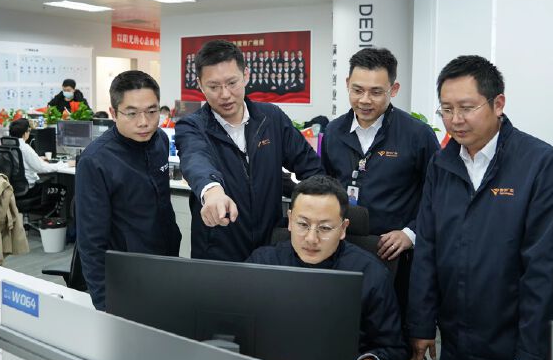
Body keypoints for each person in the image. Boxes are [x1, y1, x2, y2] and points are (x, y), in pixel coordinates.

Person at [405, 56, 553, 360]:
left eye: (467, 108)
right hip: (454, 343)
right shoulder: (441, 164)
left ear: (498, 104)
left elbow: (546, 270)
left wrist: (530, 357)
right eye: (446, 109)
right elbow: (427, 247)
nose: (455, 119)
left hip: (510, 347)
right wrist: (421, 323)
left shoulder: (541, 165)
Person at [175, 40, 323, 262]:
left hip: (271, 249)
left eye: (232, 83)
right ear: (200, 85)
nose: (225, 94)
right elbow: (195, 159)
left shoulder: (271, 118)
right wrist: (213, 192)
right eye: (213, 87)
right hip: (218, 253)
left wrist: (308, 211)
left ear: (246, 75)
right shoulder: (192, 126)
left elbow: (311, 167)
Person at [321, 47, 439, 325]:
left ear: (393, 89)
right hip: (344, 249)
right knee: (345, 325)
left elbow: (439, 195)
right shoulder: (334, 132)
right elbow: (326, 185)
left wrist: (411, 233)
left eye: (376, 92)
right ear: (347, 84)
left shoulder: (417, 135)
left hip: (395, 253)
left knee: (391, 327)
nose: (364, 100)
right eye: (357, 90)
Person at [247, 175, 406, 360]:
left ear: (343, 228)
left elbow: (393, 349)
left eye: (325, 228)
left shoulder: (371, 274)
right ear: (290, 220)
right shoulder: (262, 263)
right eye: (302, 224)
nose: (311, 238)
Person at [76, 71, 181, 310]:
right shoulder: (96, 161)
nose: (144, 122)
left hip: (167, 262)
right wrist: (105, 304)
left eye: (152, 111)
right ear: (113, 113)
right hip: (127, 274)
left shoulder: (160, 140)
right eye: (132, 113)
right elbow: (91, 243)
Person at [8, 118, 73, 192]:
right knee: (63, 190)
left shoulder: (8, 144)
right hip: (29, 189)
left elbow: (20, 160)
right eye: (29, 131)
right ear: (25, 133)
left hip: (13, 188)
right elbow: (42, 168)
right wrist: (66, 164)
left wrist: (37, 158)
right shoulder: (25, 147)